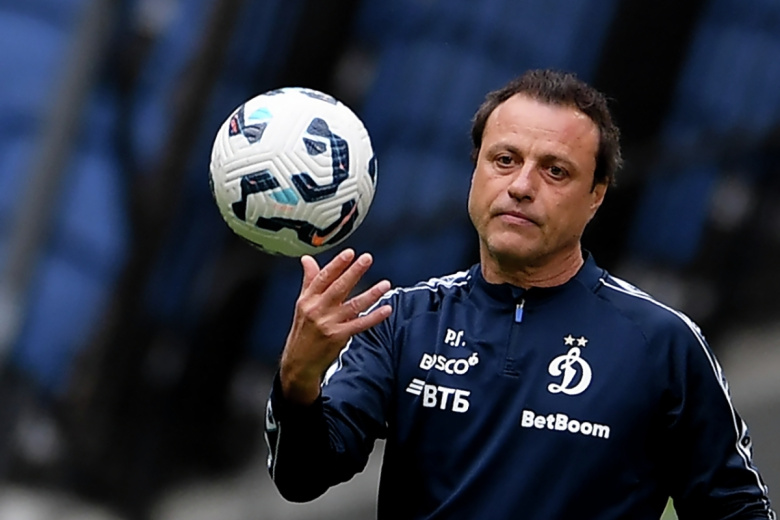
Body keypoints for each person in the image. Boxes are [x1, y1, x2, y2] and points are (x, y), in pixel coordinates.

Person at [263, 69, 775, 519]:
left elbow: (736, 510)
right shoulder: (400, 323)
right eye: (505, 160)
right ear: (475, 170)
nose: (522, 186)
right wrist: (298, 380)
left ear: (596, 195)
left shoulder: (663, 344)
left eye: (555, 170)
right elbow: (302, 477)